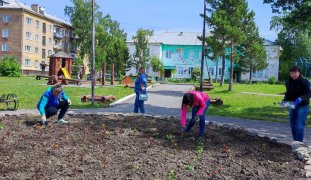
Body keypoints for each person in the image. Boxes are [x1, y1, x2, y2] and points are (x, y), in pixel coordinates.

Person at [282, 66, 311, 142]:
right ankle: (295, 142)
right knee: (292, 124)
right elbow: (288, 93)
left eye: (295, 73)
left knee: (299, 126)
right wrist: (284, 101)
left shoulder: (304, 81)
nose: (293, 74)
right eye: (291, 73)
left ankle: (299, 145)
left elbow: (309, 93)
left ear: (299, 72)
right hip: (292, 104)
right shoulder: (289, 82)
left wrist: (301, 98)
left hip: (303, 106)